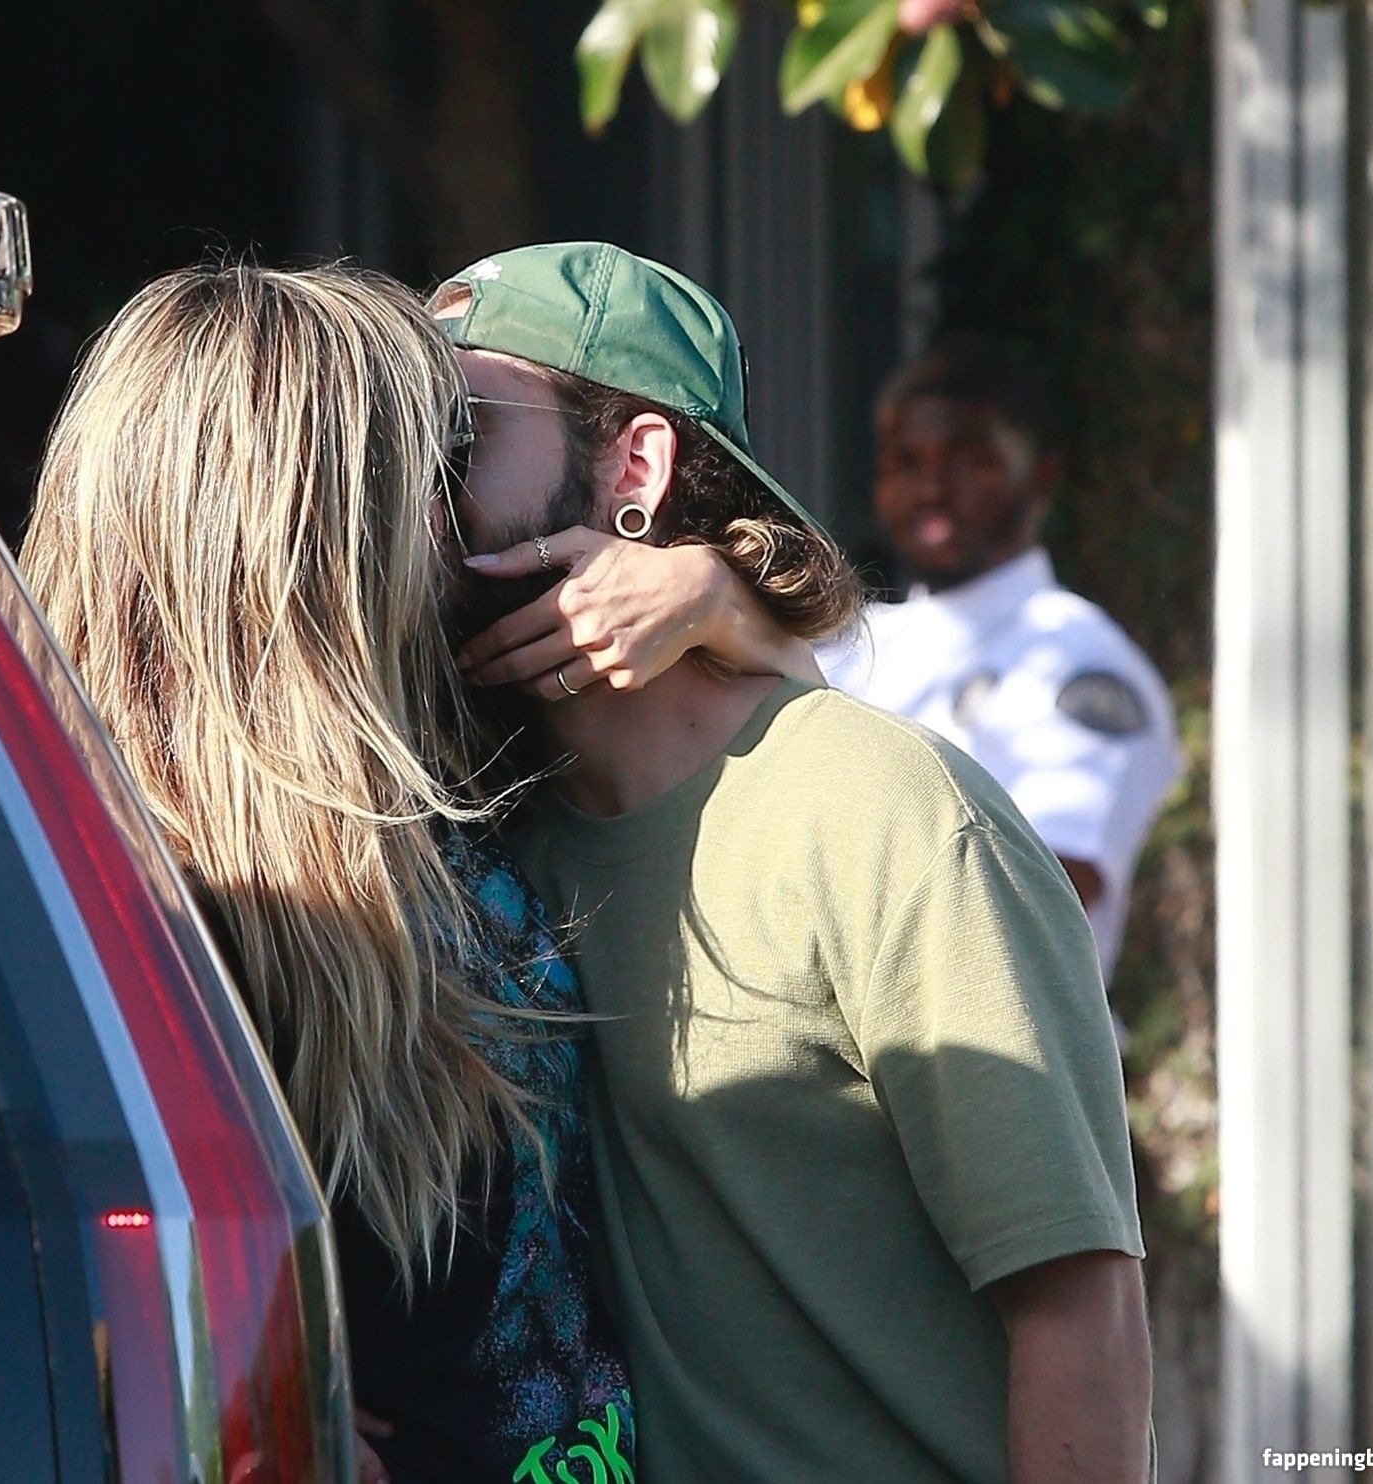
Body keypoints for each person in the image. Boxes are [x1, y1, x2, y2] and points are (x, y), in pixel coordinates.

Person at [17, 262, 812, 1484]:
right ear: (303, 522)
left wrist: (721, 602)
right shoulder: (125, 898)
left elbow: (816, 749)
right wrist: (222, 1397)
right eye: (428, 464)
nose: (451, 514)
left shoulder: (447, 749)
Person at [431, 242, 1153, 1482]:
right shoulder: (489, 840)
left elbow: (1080, 1315)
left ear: (636, 468)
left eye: (459, 430)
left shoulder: (893, 808)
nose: (405, 478)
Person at [817, 335, 1181, 983]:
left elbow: (1040, 893)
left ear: (1040, 478)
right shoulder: (845, 649)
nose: (932, 488)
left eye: (968, 461)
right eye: (906, 461)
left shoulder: (1079, 660)